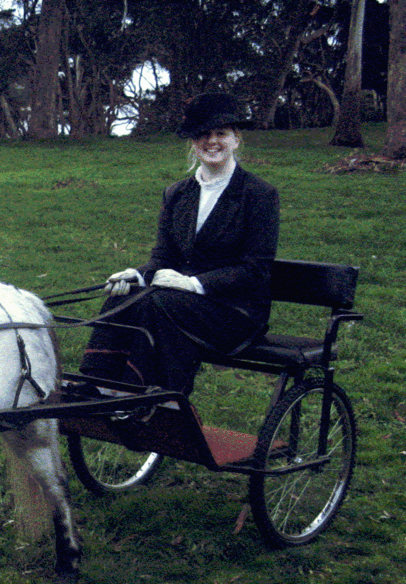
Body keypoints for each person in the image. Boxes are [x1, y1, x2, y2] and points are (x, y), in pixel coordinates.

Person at [80, 92, 280, 396]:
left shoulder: (259, 195)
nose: (212, 142)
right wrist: (135, 274)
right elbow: (164, 256)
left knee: (158, 303)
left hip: (234, 312)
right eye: (203, 135)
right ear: (193, 143)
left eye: (221, 133)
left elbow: (255, 269)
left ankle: (154, 399)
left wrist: (194, 284)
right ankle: (101, 386)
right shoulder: (176, 193)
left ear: (236, 139)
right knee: (126, 296)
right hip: (185, 303)